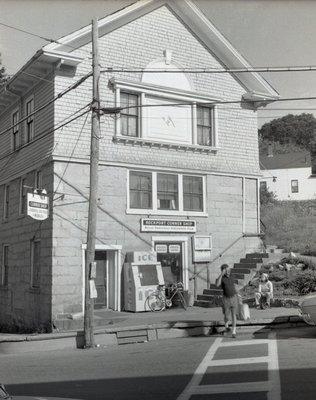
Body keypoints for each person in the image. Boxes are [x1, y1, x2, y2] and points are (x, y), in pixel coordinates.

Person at [215, 264, 238, 338]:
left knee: (234, 315)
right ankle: (226, 325)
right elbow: (217, 284)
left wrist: (238, 295)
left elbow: (234, 285)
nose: (228, 271)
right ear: (223, 271)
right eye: (227, 270)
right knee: (226, 316)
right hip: (226, 299)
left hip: (234, 298)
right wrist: (221, 274)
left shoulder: (232, 275)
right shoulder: (221, 278)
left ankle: (234, 331)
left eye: (229, 269)